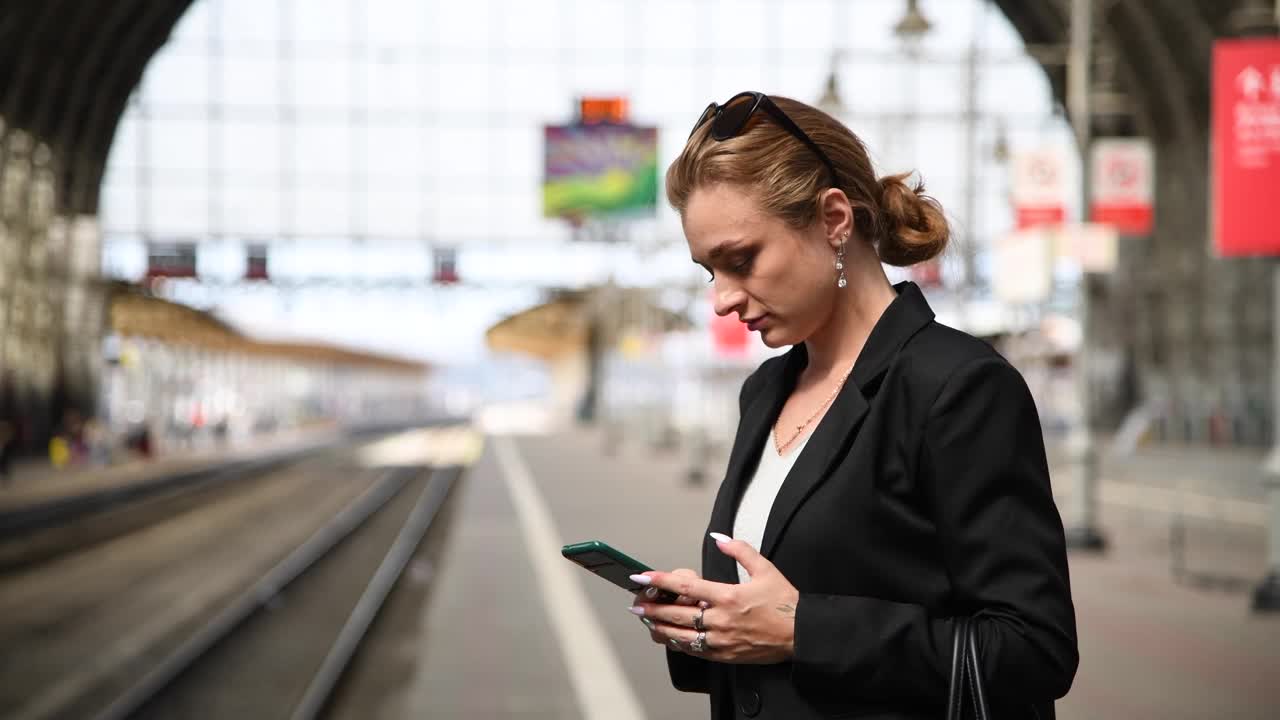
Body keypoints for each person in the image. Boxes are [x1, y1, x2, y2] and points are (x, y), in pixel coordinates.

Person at [628, 92, 1078, 719]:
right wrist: (707, 624)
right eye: (710, 271)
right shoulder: (764, 392)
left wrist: (803, 630)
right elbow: (769, 630)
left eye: (741, 260)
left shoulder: (957, 386)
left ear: (833, 218)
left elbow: (1034, 650)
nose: (723, 299)